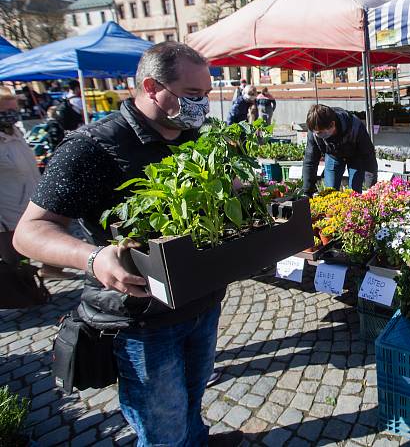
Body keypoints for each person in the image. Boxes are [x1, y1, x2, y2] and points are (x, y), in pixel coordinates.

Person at [13, 42, 242, 446]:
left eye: (207, 95)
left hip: (201, 303)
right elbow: (29, 232)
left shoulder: (197, 137)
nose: (203, 106)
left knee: (191, 399)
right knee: (161, 426)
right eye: (193, 95)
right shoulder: (93, 146)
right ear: (152, 87)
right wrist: (93, 256)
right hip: (142, 320)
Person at [0, 88, 69, 279]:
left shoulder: (15, 132)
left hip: (31, 199)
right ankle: (25, 292)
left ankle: (50, 270)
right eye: (5, 111)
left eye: (14, 110)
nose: (11, 115)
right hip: (8, 210)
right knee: (16, 257)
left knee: (50, 235)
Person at [301, 104, 377, 196]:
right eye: (316, 133)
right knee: (330, 192)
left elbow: (369, 157)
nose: (318, 135)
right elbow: (310, 161)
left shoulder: (356, 127)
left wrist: (372, 187)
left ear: (332, 124)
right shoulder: (314, 131)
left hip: (356, 157)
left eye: (320, 133)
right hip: (333, 156)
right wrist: (307, 192)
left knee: (354, 193)